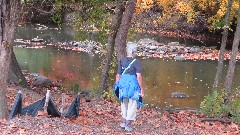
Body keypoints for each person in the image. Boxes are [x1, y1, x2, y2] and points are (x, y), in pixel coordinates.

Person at [114, 42, 144, 132]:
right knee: (132, 105)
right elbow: (139, 76)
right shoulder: (137, 62)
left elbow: (118, 75)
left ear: (127, 51)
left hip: (122, 84)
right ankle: (127, 125)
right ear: (134, 52)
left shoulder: (121, 61)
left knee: (124, 103)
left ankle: (123, 123)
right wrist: (142, 88)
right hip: (132, 86)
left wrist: (117, 85)